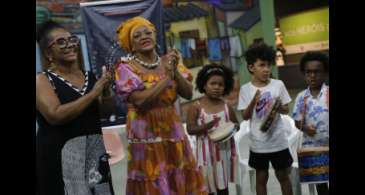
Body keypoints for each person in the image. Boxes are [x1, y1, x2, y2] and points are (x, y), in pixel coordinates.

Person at [114, 16, 207, 194]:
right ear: (130, 44)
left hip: (172, 128)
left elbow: (187, 93)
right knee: (152, 175)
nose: (144, 37)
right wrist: (167, 79)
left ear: (155, 36)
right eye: (137, 35)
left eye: (148, 32)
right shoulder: (126, 68)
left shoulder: (169, 61)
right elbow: (140, 101)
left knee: (178, 172)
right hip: (145, 131)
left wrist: (175, 71)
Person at [36, 21, 115, 195]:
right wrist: (94, 93)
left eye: (72, 39)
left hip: (94, 156)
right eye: (61, 42)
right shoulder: (42, 80)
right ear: (49, 53)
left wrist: (107, 91)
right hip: (60, 159)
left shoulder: (90, 76)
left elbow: (105, 113)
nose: (69, 44)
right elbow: (55, 115)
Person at [237, 42, 294, 195]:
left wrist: (278, 106)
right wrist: (253, 102)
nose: (267, 69)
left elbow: (286, 110)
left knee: (283, 175)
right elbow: (245, 116)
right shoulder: (246, 89)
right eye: (262, 65)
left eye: (269, 65)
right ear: (251, 68)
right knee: (261, 177)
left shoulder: (278, 85)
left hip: (278, 141)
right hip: (258, 143)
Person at [186, 64, 239, 195]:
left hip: (223, 154)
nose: (217, 87)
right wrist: (206, 126)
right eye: (212, 83)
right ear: (204, 85)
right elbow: (190, 129)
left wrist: (233, 128)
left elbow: (236, 124)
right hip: (205, 156)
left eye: (220, 85)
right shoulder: (196, 107)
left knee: (223, 188)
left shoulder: (227, 106)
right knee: (207, 188)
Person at [292, 51, 329, 195]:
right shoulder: (302, 97)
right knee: (321, 183)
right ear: (304, 74)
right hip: (313, 149)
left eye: (317, 72)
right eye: (308, 72)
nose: (312, 76)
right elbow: (297, 121)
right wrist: (305, 128)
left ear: (325, 72)